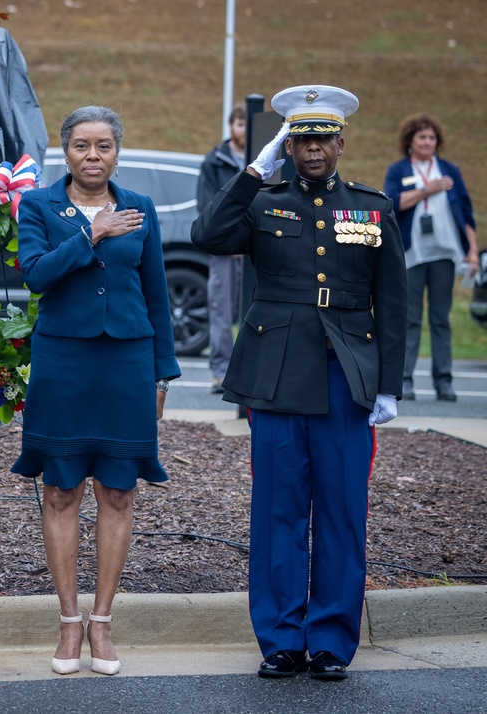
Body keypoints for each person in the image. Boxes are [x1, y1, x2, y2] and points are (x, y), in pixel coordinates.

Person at [192, 85, 406, 681]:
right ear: (289, 144)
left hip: (346, 375)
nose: (312, 149)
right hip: (277, 375)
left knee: (341, 510)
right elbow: (207, 235)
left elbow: (393, 301)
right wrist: (251, 173)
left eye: (321, 138)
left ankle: (333, 641)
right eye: (300, 138)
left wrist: (390, 384)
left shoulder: (371, 206)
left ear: (340, 142)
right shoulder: (264, 200)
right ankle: (282, 638)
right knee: (278, 512)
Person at [11, 106, 181, 677]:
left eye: (103, 146)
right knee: (60, 491)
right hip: (64, 361)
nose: (93, 156)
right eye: (82, 145)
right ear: (66, 151)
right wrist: (92, 232)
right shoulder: (37, 205)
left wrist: (162, 373)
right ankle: (67, 621)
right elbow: (35, 274)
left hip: (127, 362)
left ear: (116, 152)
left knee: (119, 490)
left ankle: (102, 622)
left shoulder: (142, 208)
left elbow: (156, 292)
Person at [383, 114, 478, 402]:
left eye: (432, 138)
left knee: (441, 320)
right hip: (411, 255)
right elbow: (392, 203)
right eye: (422, 137)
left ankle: (444, 382)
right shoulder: (399, 169)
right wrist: (427, 190)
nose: (428, 142)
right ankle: (405, 380)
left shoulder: (449, 169)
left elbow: (465, 211)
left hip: (443, 254)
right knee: (409, 318)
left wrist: (472, 250)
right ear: (410, 141)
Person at [197, 106, 247, 393]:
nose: (243, 130)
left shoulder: (262, 159)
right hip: (225, 251)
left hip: (254, 250)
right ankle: (221, 373)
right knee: (221, 310)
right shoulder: (214, 161)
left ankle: (249, 371)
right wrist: (230, 241)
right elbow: (207, 206)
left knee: (255, 311)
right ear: (231, 126)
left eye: (246, 124)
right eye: (239, 124)